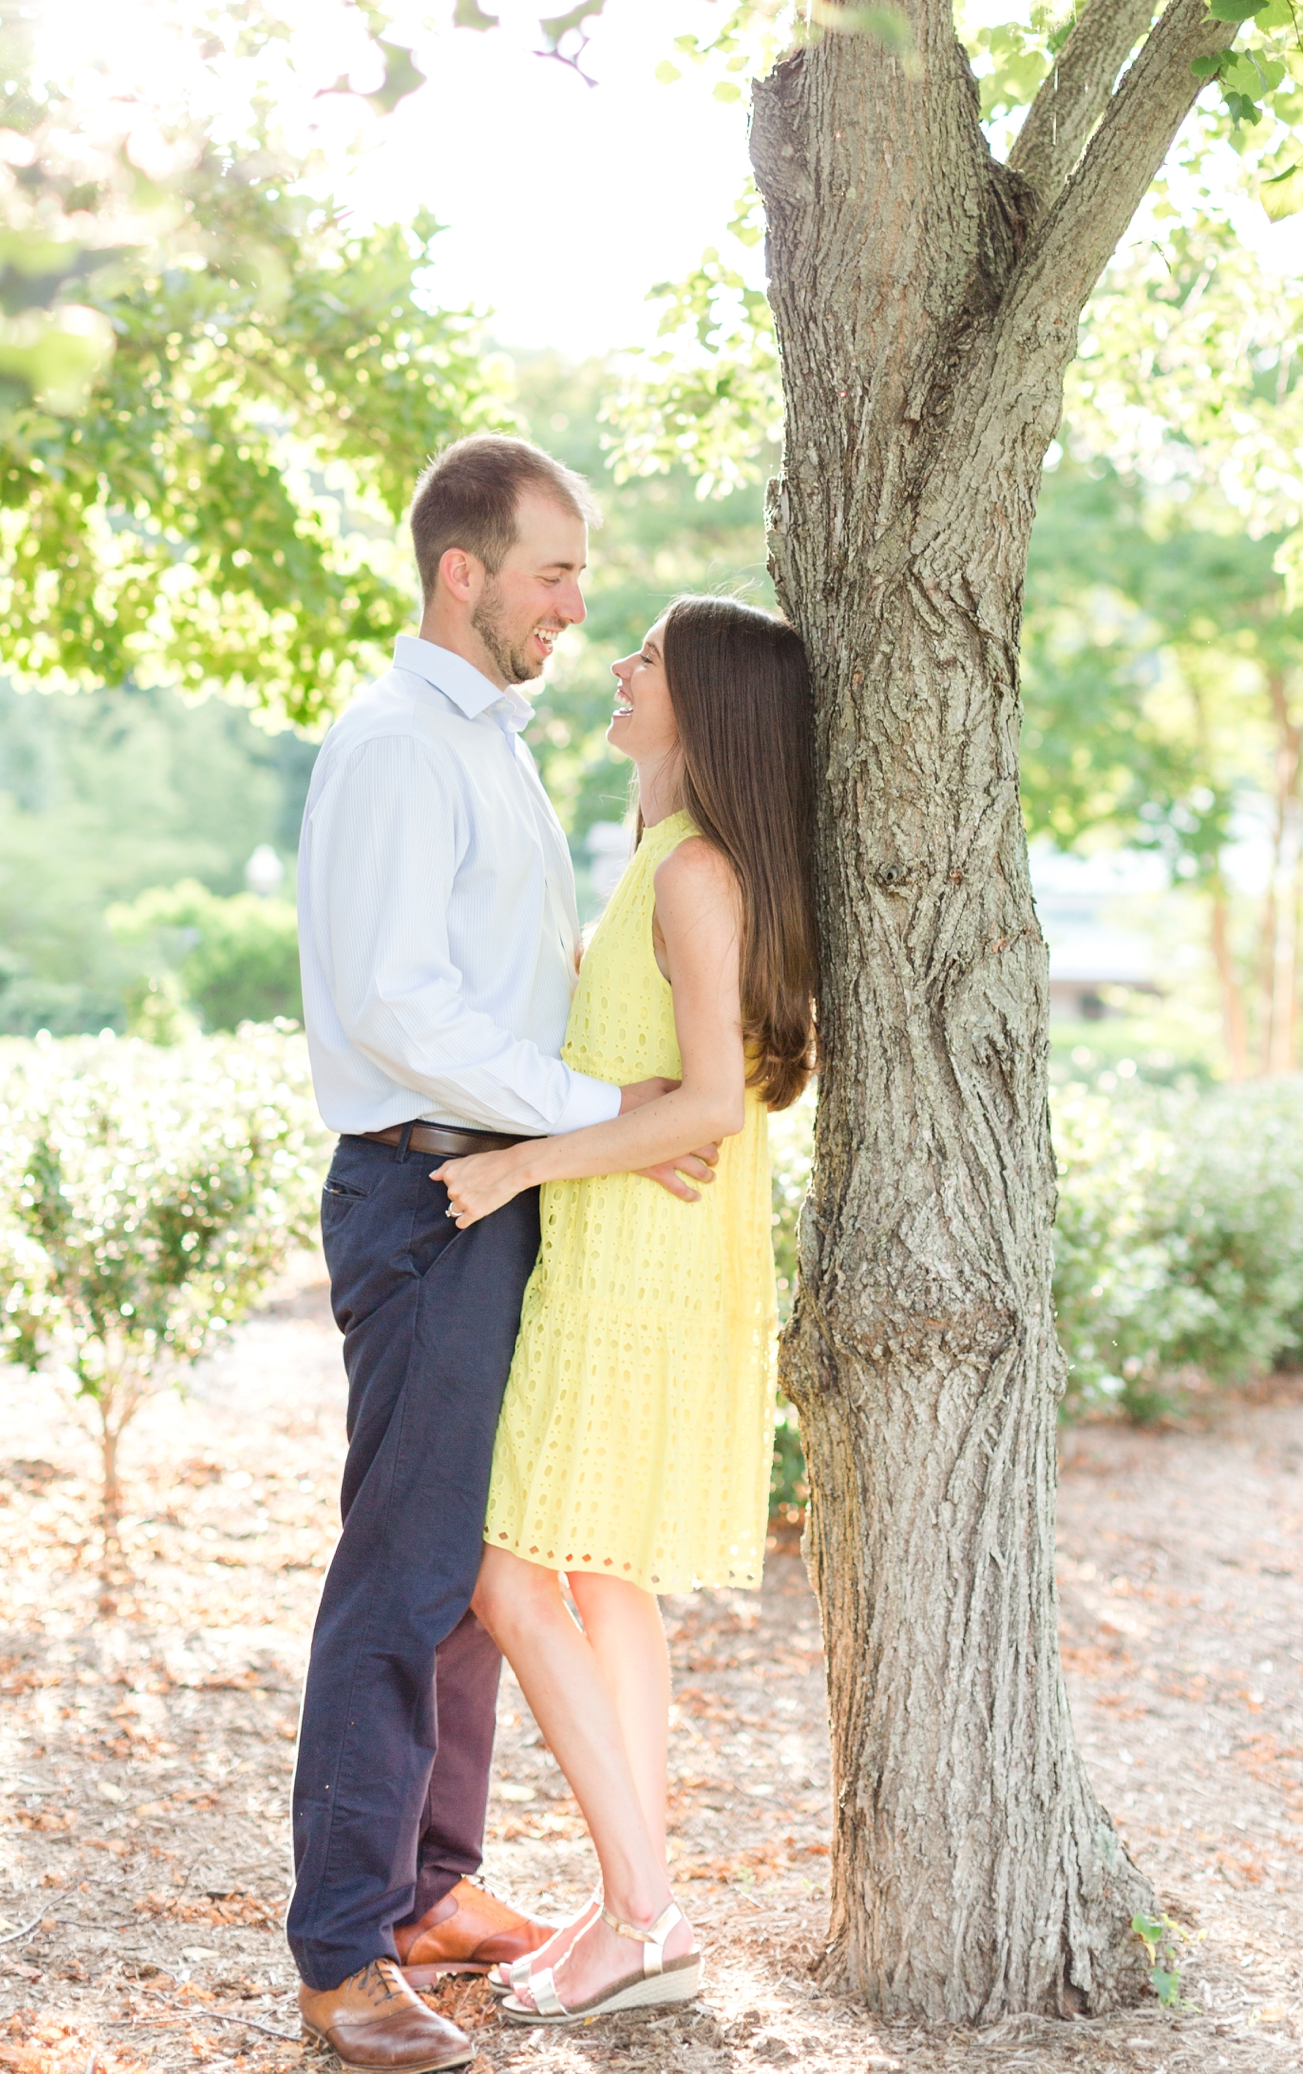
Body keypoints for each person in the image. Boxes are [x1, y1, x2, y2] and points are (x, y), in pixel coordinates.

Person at [289, 434, 720, 2074]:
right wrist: (605, 1106)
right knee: (403, 1573)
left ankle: (430, 1886)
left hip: (507, 1184)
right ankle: (341, 1950)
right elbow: (404, 1005)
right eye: (553, 571)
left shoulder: (497, 745)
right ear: (462, 572)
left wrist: (596, 1140)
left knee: (479, 1565)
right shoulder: (404, 744)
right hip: (425, 1193)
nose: (575, 604)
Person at [432, 592, 820, 2027]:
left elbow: (715, 1100)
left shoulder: (695, 873)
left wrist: (513, 1164)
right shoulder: (664, 856)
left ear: (703, 704)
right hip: (621, 1254)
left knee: (513, 1575)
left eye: (646, 655)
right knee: (600, 1581)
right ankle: (627, 1900)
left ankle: (647, 1913)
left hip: (641, 1273)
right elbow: (671, 1080)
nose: (617, 664)